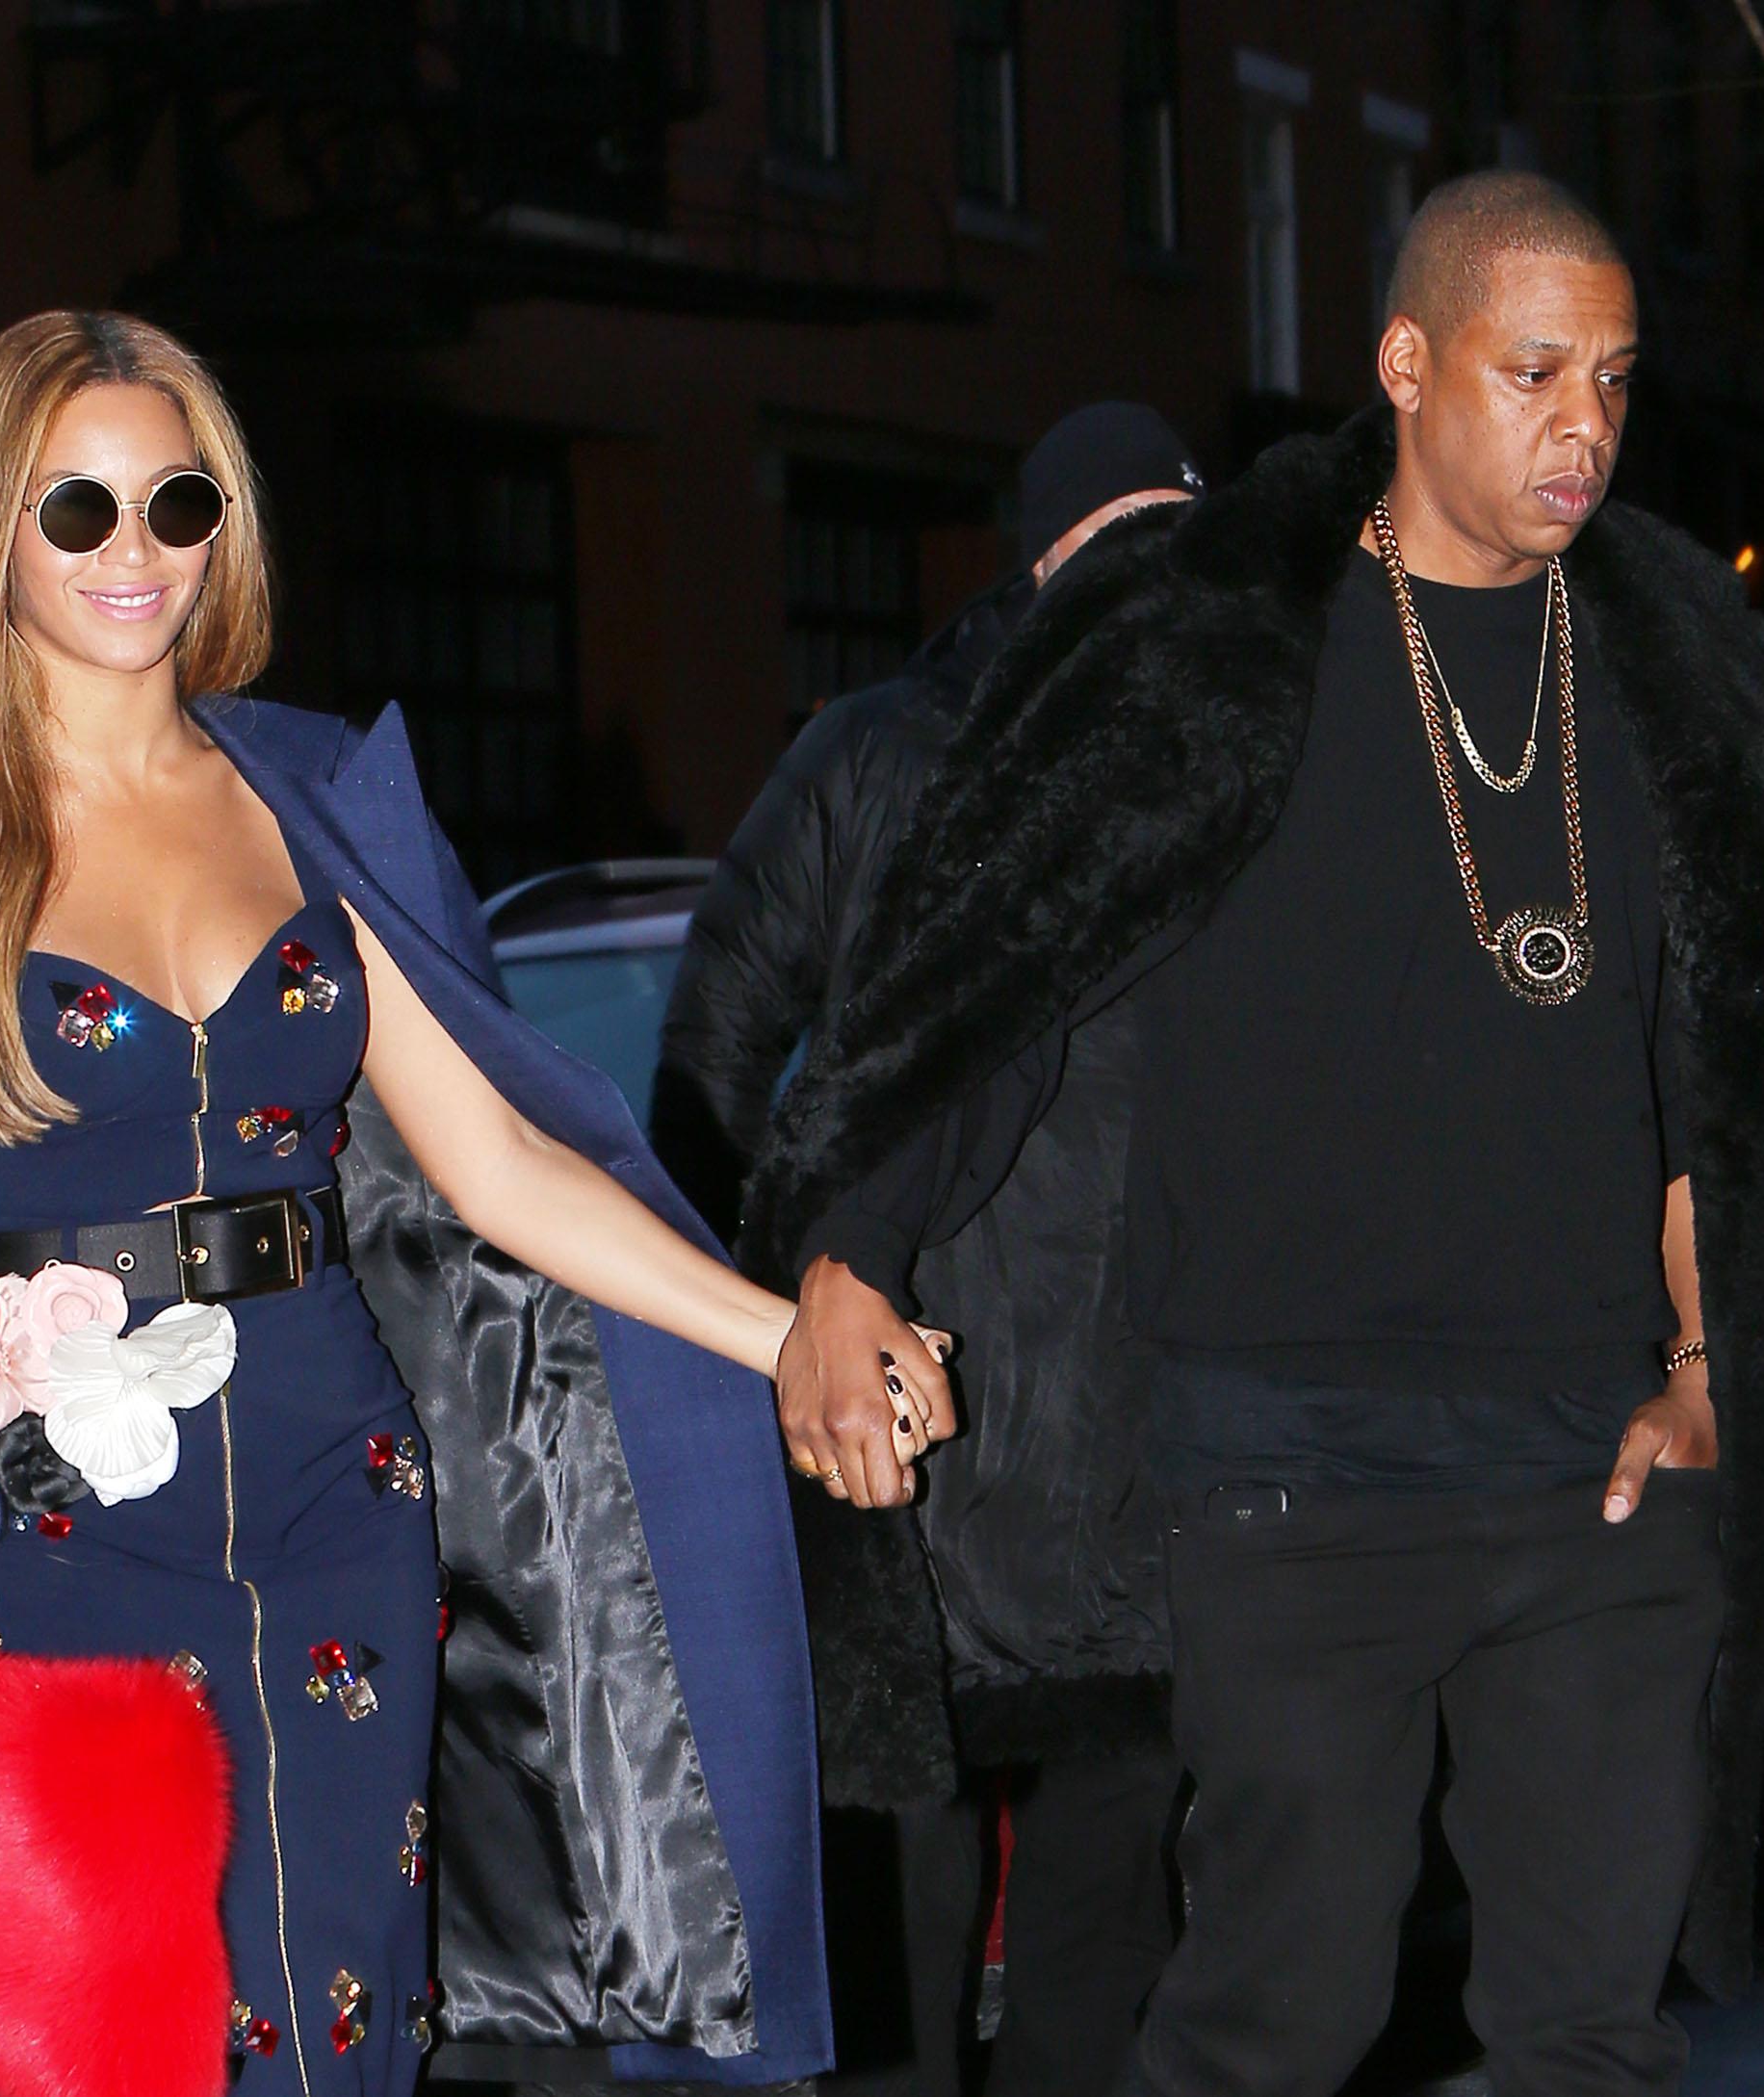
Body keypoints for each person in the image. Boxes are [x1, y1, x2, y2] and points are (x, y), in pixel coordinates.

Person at [0, 310, 920, 2097]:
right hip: (37, 1539)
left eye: (177, 502)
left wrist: (789, 1336)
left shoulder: (316, 793)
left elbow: (503, 1160)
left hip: (330, 1492)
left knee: (331, 2007)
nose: (137, 554)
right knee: (98, 2036)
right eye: (80, 512)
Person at [750, 172, 1764, 2097]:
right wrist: (851, 1260)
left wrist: (1709, 1372)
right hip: (1293, 1469)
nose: (1585, 426)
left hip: (1601, 1477)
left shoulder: (1673, 673)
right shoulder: (1218, 642)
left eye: (1615, 379)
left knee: (1592, 2039)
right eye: (1534, 369)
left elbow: (1732, 1070)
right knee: (1277, 2025)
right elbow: (996, 965)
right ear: (1404, 362)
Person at [650, 403, 1203, 2097]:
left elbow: (711, 1059)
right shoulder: (1184, 750)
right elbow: (716, 1061)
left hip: (957, 1434)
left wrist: (754, 1323)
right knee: (1037, 1918)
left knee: (948, 1909)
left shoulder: (881, 752)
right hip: (1034, 1425)